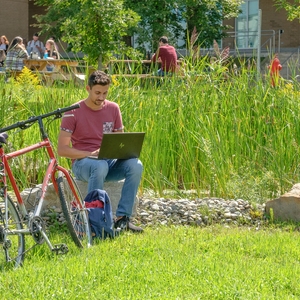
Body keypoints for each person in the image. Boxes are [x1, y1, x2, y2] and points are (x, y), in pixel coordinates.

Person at [57, 70, 144, 233]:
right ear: (87, 89)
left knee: (136, 165)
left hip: (107, 161)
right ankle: (93, 220)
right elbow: (62, 149)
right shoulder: (73, 111)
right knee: (100, 166)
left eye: (105, 93)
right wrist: (90, 154)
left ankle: (122, 219)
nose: (101, 97)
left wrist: (122, 150)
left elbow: (119, 142)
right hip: (83, 164)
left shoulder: (113, 108)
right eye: (97, 93)